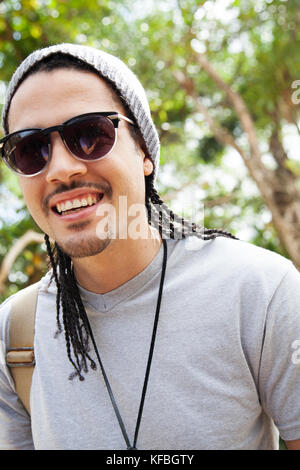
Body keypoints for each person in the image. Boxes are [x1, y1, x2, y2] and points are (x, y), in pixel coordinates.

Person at [0, 43, 300, 451]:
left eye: (89, 134)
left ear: (143, 148)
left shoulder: (261, 293)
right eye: (31, 149)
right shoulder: (15, 335)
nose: (61, 169)